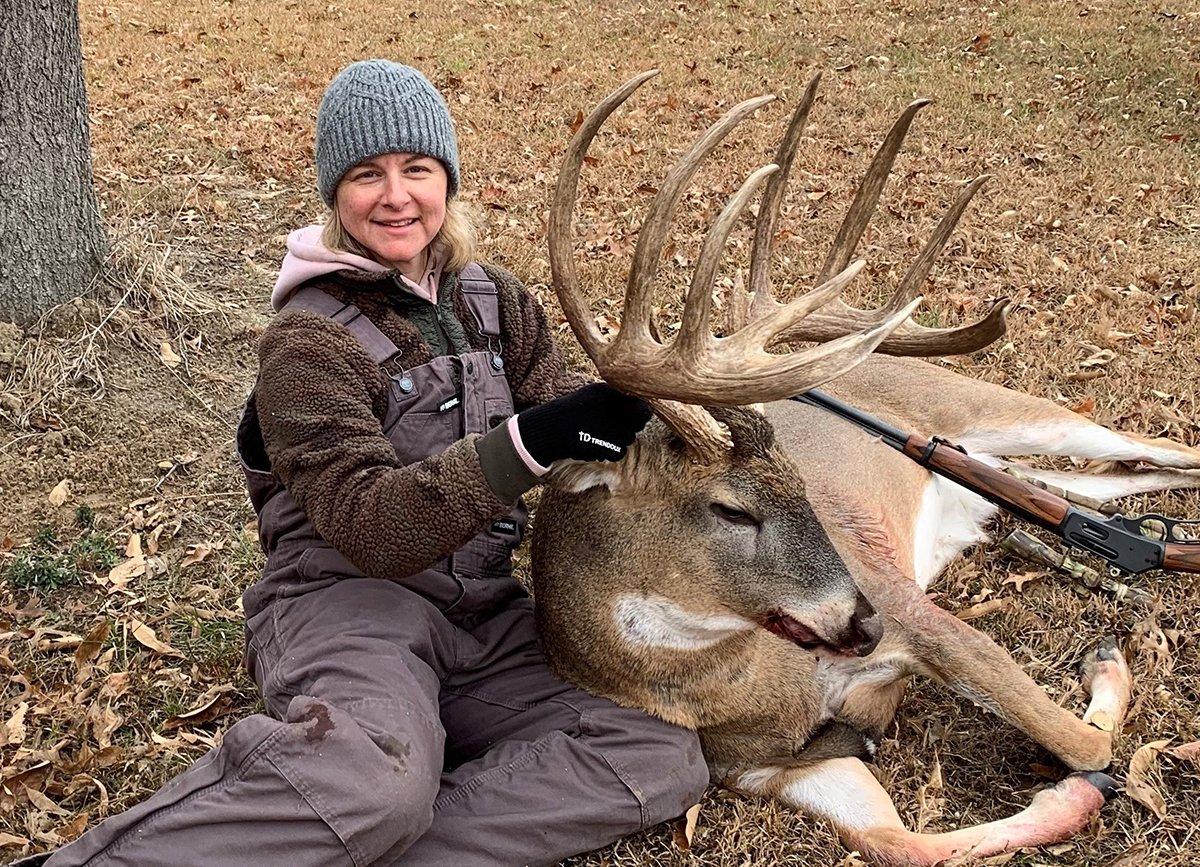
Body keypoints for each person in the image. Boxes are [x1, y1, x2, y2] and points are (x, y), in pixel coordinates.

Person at [26, 60, 708, 867]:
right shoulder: (307, 341)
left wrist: (652, 410)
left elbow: (571, 425)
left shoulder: (494, 302)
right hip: (348, 608)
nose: (395, 196)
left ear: (446, 179)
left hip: (484, 616)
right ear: (334, 195)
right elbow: (370, 526)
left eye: (417, 169)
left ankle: (379, 843)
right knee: (371, 784)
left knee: (657, 750)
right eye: (366, 174)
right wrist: (532, 440)